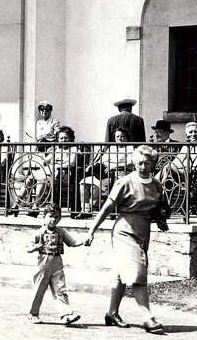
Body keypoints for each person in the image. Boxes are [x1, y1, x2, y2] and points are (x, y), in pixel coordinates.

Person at [84, 144, 170, 335]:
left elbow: (157, 208)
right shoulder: (125, 182)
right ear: (133, 162)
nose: (143, 166)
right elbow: (107, 208)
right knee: (137, 272)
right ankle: (147, 317)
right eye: (140, 163)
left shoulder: (156, 184)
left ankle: (112, 313)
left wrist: (160, 221)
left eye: (147, 163)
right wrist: (91, 231)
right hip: (124, 232)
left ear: (153, 163)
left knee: (121, 274)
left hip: (143, 232)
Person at [26, 204, 84, 325]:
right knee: (39, 289)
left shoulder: (61, 232)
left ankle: (65, 315)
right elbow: (28, 248)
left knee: (60, 289)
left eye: (57, 217)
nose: (53, 219)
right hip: (43, 262)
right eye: (51, 216)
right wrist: (35, 247)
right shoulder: (39, 232)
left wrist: (84, 241)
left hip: (57, 262)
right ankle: (32, 313)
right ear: (44, 217)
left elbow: (72, 243)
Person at [79, 127, 134, 217]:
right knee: (84, 183)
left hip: (120, 174)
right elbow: (103, 161)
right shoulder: (112, 147)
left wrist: (115, 166)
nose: (120, 139)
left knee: (96, 184)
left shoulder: (129, 148)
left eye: (122, 136)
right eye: (117, 137)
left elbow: (130, 163)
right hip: (105, 173)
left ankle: (97, 207)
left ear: (127, 137)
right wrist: (92, 166)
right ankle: (85, 210)